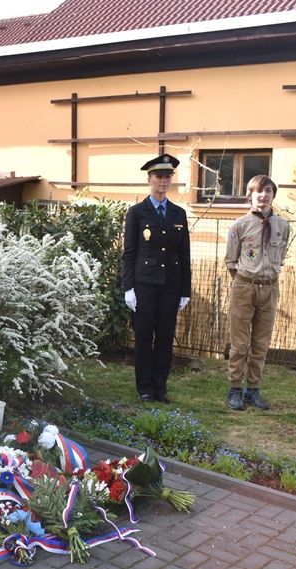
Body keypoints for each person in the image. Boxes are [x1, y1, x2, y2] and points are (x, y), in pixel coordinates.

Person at [121, 153, 191, 403]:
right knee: (143, 337)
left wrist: (186, 290)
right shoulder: (137, 213)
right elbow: (129, 253)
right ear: (149, 179)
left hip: (170, 285)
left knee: (164, 336)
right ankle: (145, 388)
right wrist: (128, 287)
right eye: (159, 176)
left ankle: (160, 386)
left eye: (168, 176)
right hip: (144, 284)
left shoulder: (178, 214)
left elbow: (184, 255)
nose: (164, 181)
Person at [224, 175, 290, 410]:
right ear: (251, 195)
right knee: (240, 343)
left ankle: (253, 390)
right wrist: (246, 281)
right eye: (259, 191)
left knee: (261, 343)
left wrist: (266, 279)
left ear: (273, 195)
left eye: (268, 191)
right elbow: (231, 261)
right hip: (244, 286)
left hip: (270, 287)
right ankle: (234, 390)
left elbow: (281, 256)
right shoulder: (240, 225)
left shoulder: (283, 226)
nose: (263, 195)